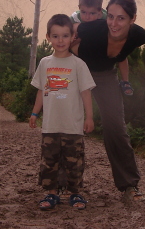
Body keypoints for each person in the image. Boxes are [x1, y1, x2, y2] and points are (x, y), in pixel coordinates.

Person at [71, 0, 145, 201]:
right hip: (79, 72)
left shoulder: (139, 36)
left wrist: (125, 78)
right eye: (111, 16)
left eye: (121, 18)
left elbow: (123, 55)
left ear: (132, 19)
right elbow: (68, 29)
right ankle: (65, 185)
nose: (113, 24)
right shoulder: (94, 28)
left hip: (105, 76)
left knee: (116, 127)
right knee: (70, 125)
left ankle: (129, 186)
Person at [29, 14, 96, 211]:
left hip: (73, 125)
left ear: (72, 37)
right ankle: (51, 194)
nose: (60, 41)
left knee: (73, 161)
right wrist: (34, 113)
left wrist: (89, 117)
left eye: (65, 36)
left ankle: (75, 194)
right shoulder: (44, 63)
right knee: (49, 161)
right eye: (56, 36)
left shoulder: (78, 64)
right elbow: (42, 90)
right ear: (48, 36)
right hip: (50, 124)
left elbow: (85, 92)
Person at [70, 0, 134, 96]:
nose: (87, 17)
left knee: (121, 53)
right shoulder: (74, 18)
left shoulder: (106, 18)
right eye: (84, 12)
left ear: (100, 12)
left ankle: (125, 81)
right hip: (84, 56)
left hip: (104, 50)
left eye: (92, 13)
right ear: (79, 8)